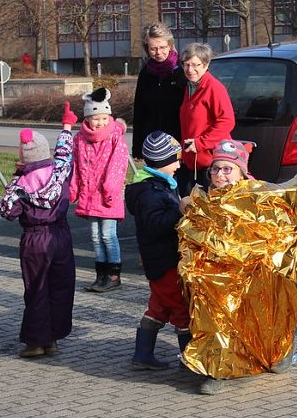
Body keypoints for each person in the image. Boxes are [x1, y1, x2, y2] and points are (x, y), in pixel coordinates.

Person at [178, 139, 297, 394]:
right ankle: (218, 370)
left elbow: (280, 234)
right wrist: (189, 209)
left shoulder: (259, 198)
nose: (220, 175)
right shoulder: (206, 200)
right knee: (217, 319)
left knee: (263, 316)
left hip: (253, 273)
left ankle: (279, 351)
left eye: (227, 169)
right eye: (215, 169)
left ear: (241, 171)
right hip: (215, 278)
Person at [0, 103, 78, 358]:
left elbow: (6, 211)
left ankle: (35, 342)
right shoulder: (59, 170)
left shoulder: (19, 184)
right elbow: (65, 152)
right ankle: (53, 339)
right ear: (45, 152)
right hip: (60, 235)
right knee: (60, 286)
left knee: (37, 289)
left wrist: (15, 178)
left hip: (35, 239)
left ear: (23, 157)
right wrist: (66, 126)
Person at [124, 131, 191, 370]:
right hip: (164, 262)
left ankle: (142, 355)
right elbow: (155, 225)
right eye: (176, 159)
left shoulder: (158, 185)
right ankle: (189, 358)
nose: (179, 164)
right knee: (181, 308)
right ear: (163, 162)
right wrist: (179, 211)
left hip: (158, 260)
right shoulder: (150, 192)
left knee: (159, 307)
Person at [70, 88, 129, 292]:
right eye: (96, 118)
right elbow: (75, 165)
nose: (101, 122)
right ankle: (101, 274)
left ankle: (114, 275)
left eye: (104, 118)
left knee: (108, 235)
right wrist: (74, 188)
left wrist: (110, 188)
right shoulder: (80, 139)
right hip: (90, 195)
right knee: (95, 236)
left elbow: (118, 164)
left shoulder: (114, 137)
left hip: (107, 196)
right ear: (87, 118)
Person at [178, 42, 235, 196]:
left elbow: (227, 121)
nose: (190, 70)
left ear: (206, 64)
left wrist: (201, 143)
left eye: (195, 65)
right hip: (191, 162)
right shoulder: (188, 87)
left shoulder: (214, 88)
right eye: (186, 64)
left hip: (211, 162)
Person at [131, 22, 185, 161]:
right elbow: (139, 111)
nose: (158, 53)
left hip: (177, 141)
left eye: (162, 47)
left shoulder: (182, 70)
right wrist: (137, 147)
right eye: (153, 49)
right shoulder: (146, 73)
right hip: (153, 142)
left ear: (170, 45)